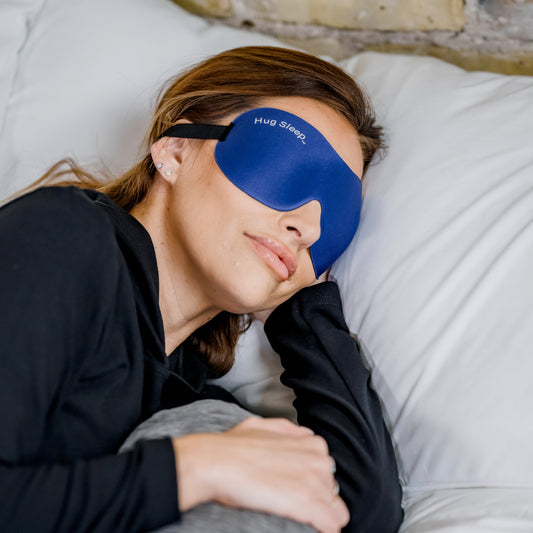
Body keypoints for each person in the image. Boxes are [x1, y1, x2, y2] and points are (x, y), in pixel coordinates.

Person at [0, 46, 403, 533]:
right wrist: (192, 470)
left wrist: (301, 309)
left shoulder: (189, 401)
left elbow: (361, 515)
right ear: (174, 151)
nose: (309, 226)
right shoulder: (61, 237)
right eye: (284, 165)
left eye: (338, 214)